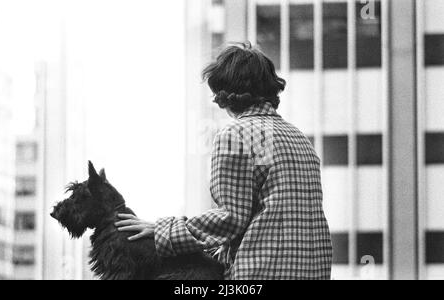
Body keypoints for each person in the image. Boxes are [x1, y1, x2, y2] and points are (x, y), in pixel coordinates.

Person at [115, 42, 333, 280]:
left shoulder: (236, 134)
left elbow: (231, 218)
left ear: (224, 93)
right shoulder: (298, 137)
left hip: (260, 273)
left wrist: (162, 231)